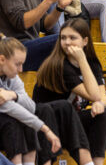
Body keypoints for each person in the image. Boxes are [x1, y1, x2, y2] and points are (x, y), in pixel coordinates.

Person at [34, 19, 106, 165]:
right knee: (99, 115)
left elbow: (102, 99)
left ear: (85, 41)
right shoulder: (59, 65)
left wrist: (99, 104)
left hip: (71, 121)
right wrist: (82, 60)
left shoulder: (92, 63)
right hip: (49, 124)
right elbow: (95, 96)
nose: (67, 42)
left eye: (72, 38)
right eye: (63, 38)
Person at [0, 34, 62, 165]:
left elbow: (30, 106)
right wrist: (46, 129)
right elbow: (12, 109)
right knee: (12, 121)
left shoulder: (12, 76)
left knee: (29, 117)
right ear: (2, 59)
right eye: (17, 64)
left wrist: (13, 95)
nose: (21, 69)